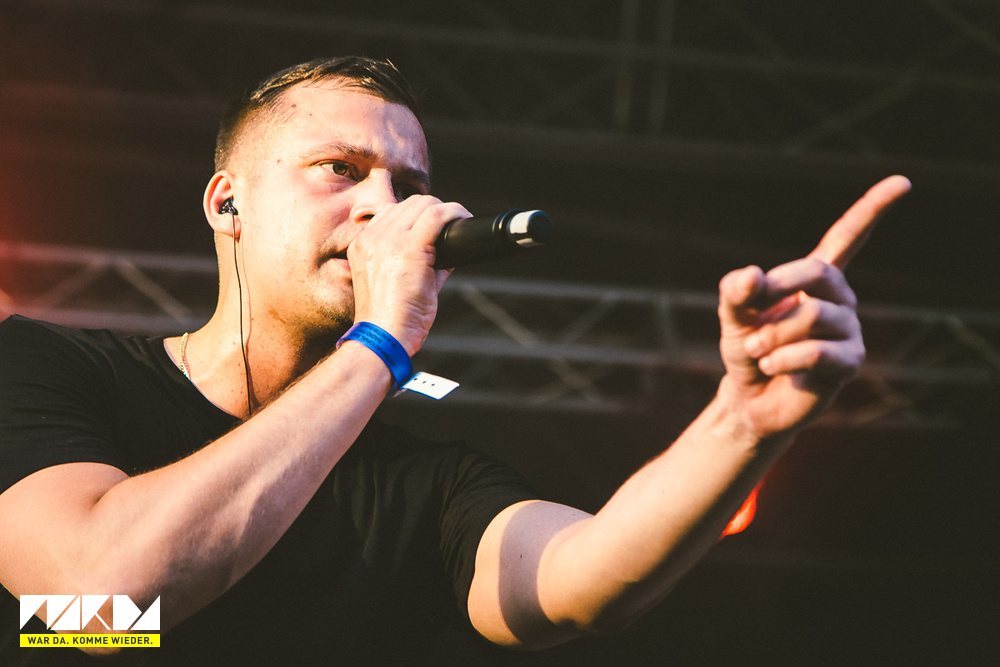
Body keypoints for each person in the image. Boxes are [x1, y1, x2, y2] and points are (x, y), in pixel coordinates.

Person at [0, 56, 910, 664]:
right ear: (227, 203)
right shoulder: (46, 368)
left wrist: (744, 422)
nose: (386, 207)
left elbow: (588, 578)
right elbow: (100, 601)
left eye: (409, 186)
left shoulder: (428, 486)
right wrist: (382, 343)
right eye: (340, 169)